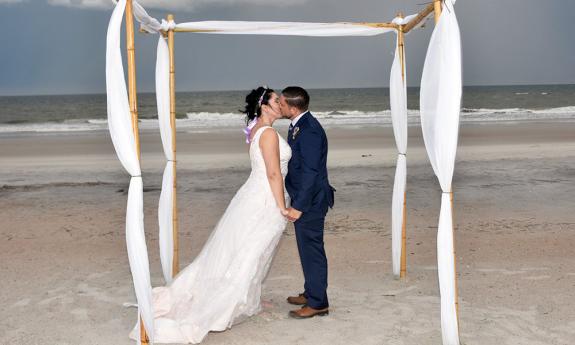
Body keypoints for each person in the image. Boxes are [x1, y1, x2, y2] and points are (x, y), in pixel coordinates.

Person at [130, 86, 292, 344]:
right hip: (264, 199)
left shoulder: (257, 131)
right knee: (250, 252)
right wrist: (282, 206)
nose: (282, 103)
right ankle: (224, 307)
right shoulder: (269, 134)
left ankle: (245, 298)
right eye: (277, 100)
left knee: (244, 250)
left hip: (253, 195)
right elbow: (273, 174)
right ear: (265, 106)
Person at [279, 86, 335, 319]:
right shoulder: (299, 125)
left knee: (311, 250)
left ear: (293, 107)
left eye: (281, 103)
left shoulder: (310, 130)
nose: (279, 106)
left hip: (311, 202)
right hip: (305, 197)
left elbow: (311, 172)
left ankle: (318, 303)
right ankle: (311, 292)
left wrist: (298, 206)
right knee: (306, 248)